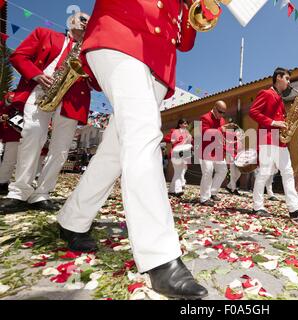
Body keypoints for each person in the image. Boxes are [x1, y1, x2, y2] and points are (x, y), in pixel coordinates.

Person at [56, 0, 207, 299]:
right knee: (143, 133)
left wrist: (202, 5)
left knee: (115, 150)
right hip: (119, 34)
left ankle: (72, 219)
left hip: (159, 62)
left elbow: (186, 41)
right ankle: (160, 258)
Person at [0, 12, 96, 213]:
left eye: (90, 21)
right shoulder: (43, 33)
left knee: (60, 149)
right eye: (83, 19)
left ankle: (42, 193)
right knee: (32, 136)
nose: (87, 24)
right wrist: (36, 75)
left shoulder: (90, 51)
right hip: (40, 91)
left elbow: (97, 83)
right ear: (71, 21)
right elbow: (18, 56)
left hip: (73, 99)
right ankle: (19, 192)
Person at [249, 67, 298, 220]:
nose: (288, 82)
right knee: (264, 173)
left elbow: (280, 119)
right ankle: (257, 206)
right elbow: (253, 112)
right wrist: (274, 122)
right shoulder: (266, 93)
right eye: (287, 79)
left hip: (280, 141)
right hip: (267, 138)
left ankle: (295, 209)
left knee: (288, 172)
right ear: (278, 77)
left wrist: (286, 124)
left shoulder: (279, 98)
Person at [199, 100, 229, 206]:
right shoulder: (205, 117)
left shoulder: (222, 120)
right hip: (205, 149)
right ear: (215, 108)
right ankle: (204, 198)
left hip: (218, 150)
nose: (222, 115)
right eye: (220, 112)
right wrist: (220, 130)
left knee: (223, 170)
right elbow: (204, 133)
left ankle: (212, 192)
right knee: (208, 172)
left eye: (224, 113)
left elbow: (222, 135)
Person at [163, 118, 192, 197]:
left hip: (184, 154)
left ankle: (172, 190)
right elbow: (168, 139)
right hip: (176, 153)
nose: (186, 125)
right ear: (180, 124)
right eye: (184, 123)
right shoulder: (175, 132)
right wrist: (177, 141)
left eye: (187, 123)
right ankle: (178, 190)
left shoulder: (188, 133)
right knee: (178, 172)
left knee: (178, 172)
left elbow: (190, 143)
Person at [0, 92, 21, 195]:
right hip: (13, 134)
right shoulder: (10, 100)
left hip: (28, 134)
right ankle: (2, 182)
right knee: (9, 159)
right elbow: (6, 105)